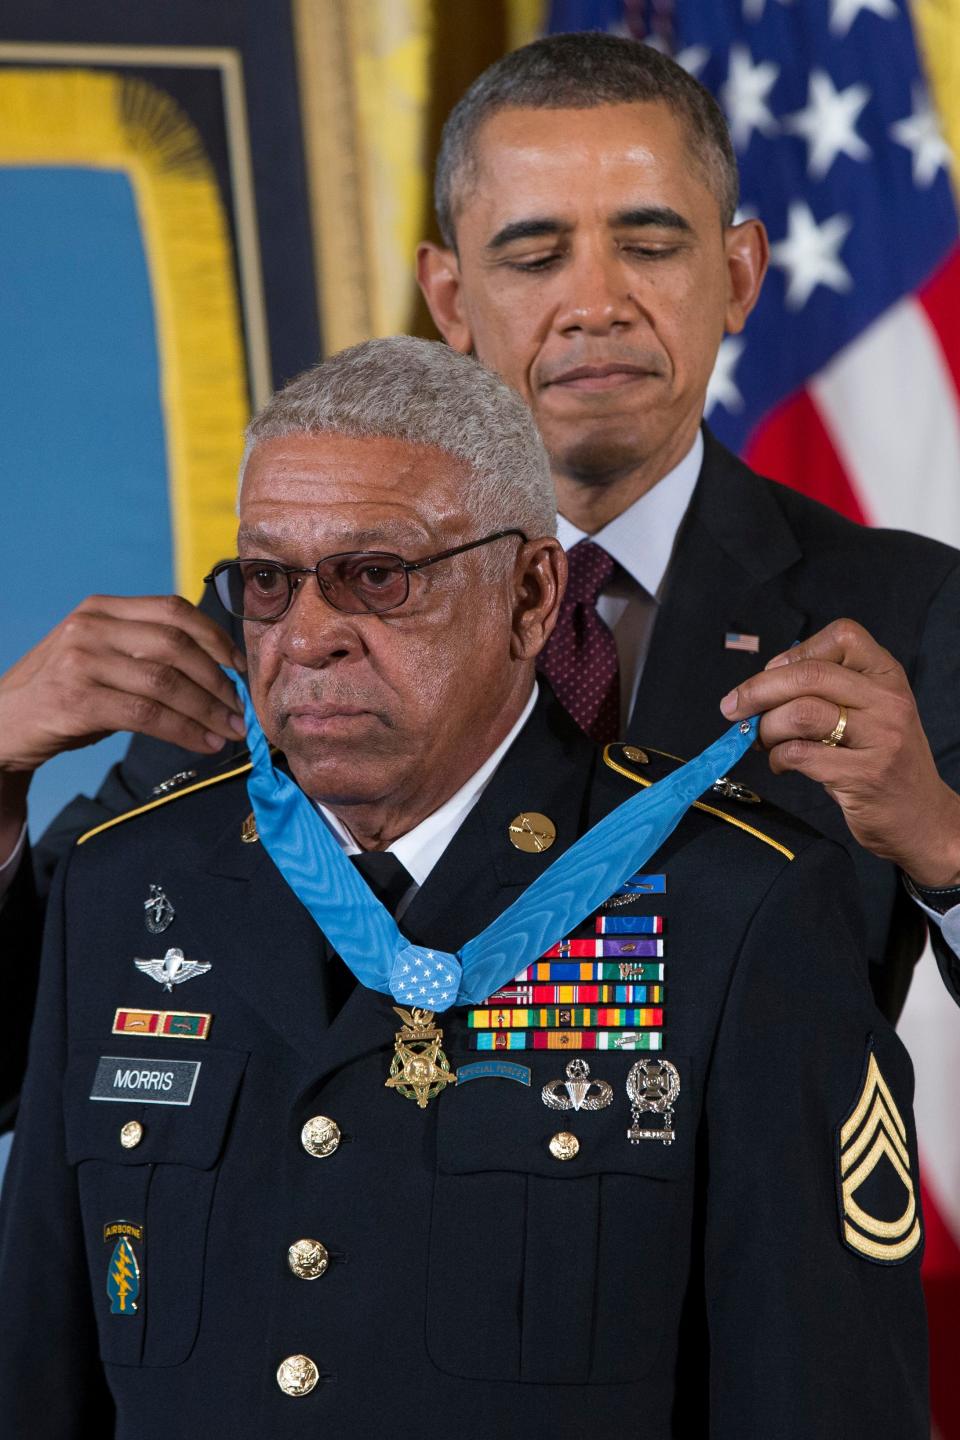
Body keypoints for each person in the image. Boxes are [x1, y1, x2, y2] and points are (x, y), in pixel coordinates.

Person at [1, 34, 958, 1123]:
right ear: (450, 296)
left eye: (649, 245)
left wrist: (944, 845)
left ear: (738, 275)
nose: (597, 303)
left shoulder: (901, 615)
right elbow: (31, 1043)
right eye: (535, 256)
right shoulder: (277, 624)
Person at [0, 338, 928, 1438]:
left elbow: (821, 1402)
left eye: (377, 577)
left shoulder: (739, 905)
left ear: (533, 596)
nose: (307, 639)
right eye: (267, 581)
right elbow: (36, 1385)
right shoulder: (126, 880)